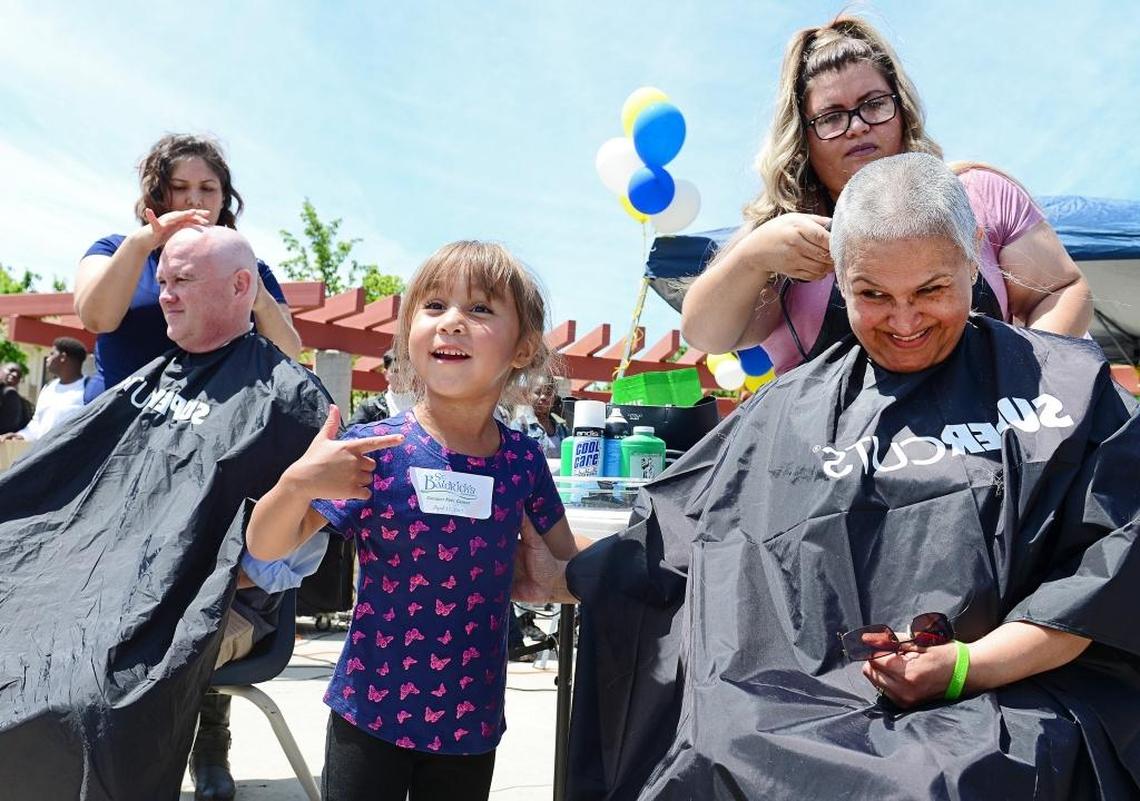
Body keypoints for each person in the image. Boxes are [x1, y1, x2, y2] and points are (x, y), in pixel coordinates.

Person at [563, 154, 1140, 799]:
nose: (903, 321)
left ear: (973, 263)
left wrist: (968, 668)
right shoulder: (788, 410)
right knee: (713, 754)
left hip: (1016, 688)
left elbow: (1110, 569)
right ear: (839, 281)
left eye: (931, 290)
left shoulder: (1063, 388)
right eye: (872, 295)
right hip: (798, 705)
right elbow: (682, 535)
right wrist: (575, 571)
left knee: (934, 779)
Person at [246, 240, 590, 801]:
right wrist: (297, 482)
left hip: (469, 723)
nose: (452, 322)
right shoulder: (375, 449)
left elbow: (566, 558)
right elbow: (265, 545)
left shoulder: (523, 460)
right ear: (408, 332)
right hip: (369, 713)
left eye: (480, 309)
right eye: (433, 306)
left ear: (524, 348)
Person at [0, 227, 331, 801]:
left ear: (240, 287)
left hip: (215, 605)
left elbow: (289, 561)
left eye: (182, 281)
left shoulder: (291, 402)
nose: (166, 296)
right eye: (163, 281)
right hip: (97, 591)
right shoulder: (151, 379)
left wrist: (161, 580)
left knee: (88, 692)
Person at [680, 15, 1093, 375]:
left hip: (987, 452)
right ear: (803, 135)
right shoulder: (784, 233)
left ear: (901, 109)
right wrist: (753, 257)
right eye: (832, 117)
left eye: (873, 104)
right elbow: (706, 334)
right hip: (833, 460)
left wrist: (1026, 377)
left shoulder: (979, 195)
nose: (858, 126)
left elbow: (1060, 290)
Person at [74, 133, 301, 403]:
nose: (195, 199)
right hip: (115, 426)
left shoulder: (251, 268)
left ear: (223, 198)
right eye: (180, 187)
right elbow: (97, 319)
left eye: (208, 188)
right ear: (157, 195)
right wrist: (140, 244)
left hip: (204, 431)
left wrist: (258, 297)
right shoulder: (113, 249)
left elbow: (288, 356)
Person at [0, 337, 87, 442]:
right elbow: (37, 424)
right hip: (44, 455)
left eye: (52, 354)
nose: (48, 358)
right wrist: (21, 435)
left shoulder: (88, 388)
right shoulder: (48, 388)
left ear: (63, 357)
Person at [510, 380, 568, 458]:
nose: (543, 397)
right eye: (537, 392)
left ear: (554, 399)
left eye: (548, 393)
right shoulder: (519, 425)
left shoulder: (562, 429)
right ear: (529, 395)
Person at [349, 348, 396, 425]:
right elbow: (351, 434)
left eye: (405, 371)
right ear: (386, 374)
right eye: (395, 371)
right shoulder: (370, 406)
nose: (402, 376)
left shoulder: (421, 405)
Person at [0, 363, 33, 434]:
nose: (15, 374)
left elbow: (8, 427)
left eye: (18, 375)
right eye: (11, 370)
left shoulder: (10, 393)